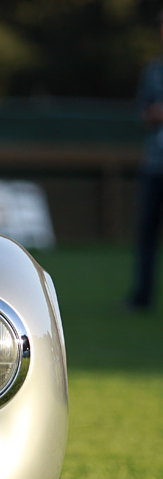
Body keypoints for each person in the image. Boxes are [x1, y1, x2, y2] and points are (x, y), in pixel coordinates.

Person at [130, 13, 163, 311]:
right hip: (154, 165)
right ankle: (142, 297)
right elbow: (141, 112)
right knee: (146, 234)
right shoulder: (153, 70)